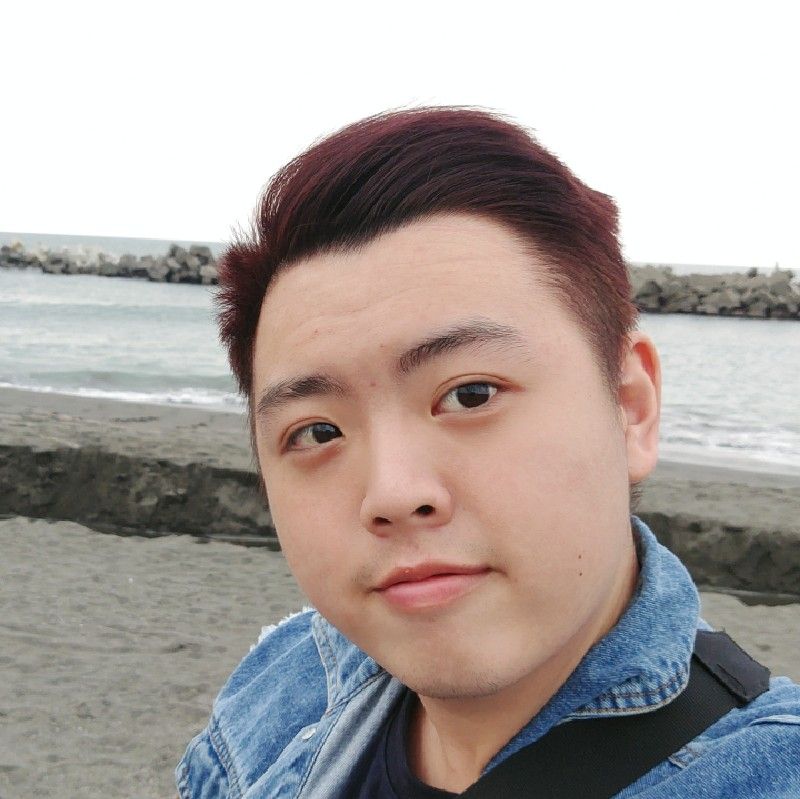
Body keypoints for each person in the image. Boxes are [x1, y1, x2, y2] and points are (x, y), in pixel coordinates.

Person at [176, 107, 800, 798]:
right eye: (318, 432)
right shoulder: (286, 685)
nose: (393, 493)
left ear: (631, 407)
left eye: (471, 394)